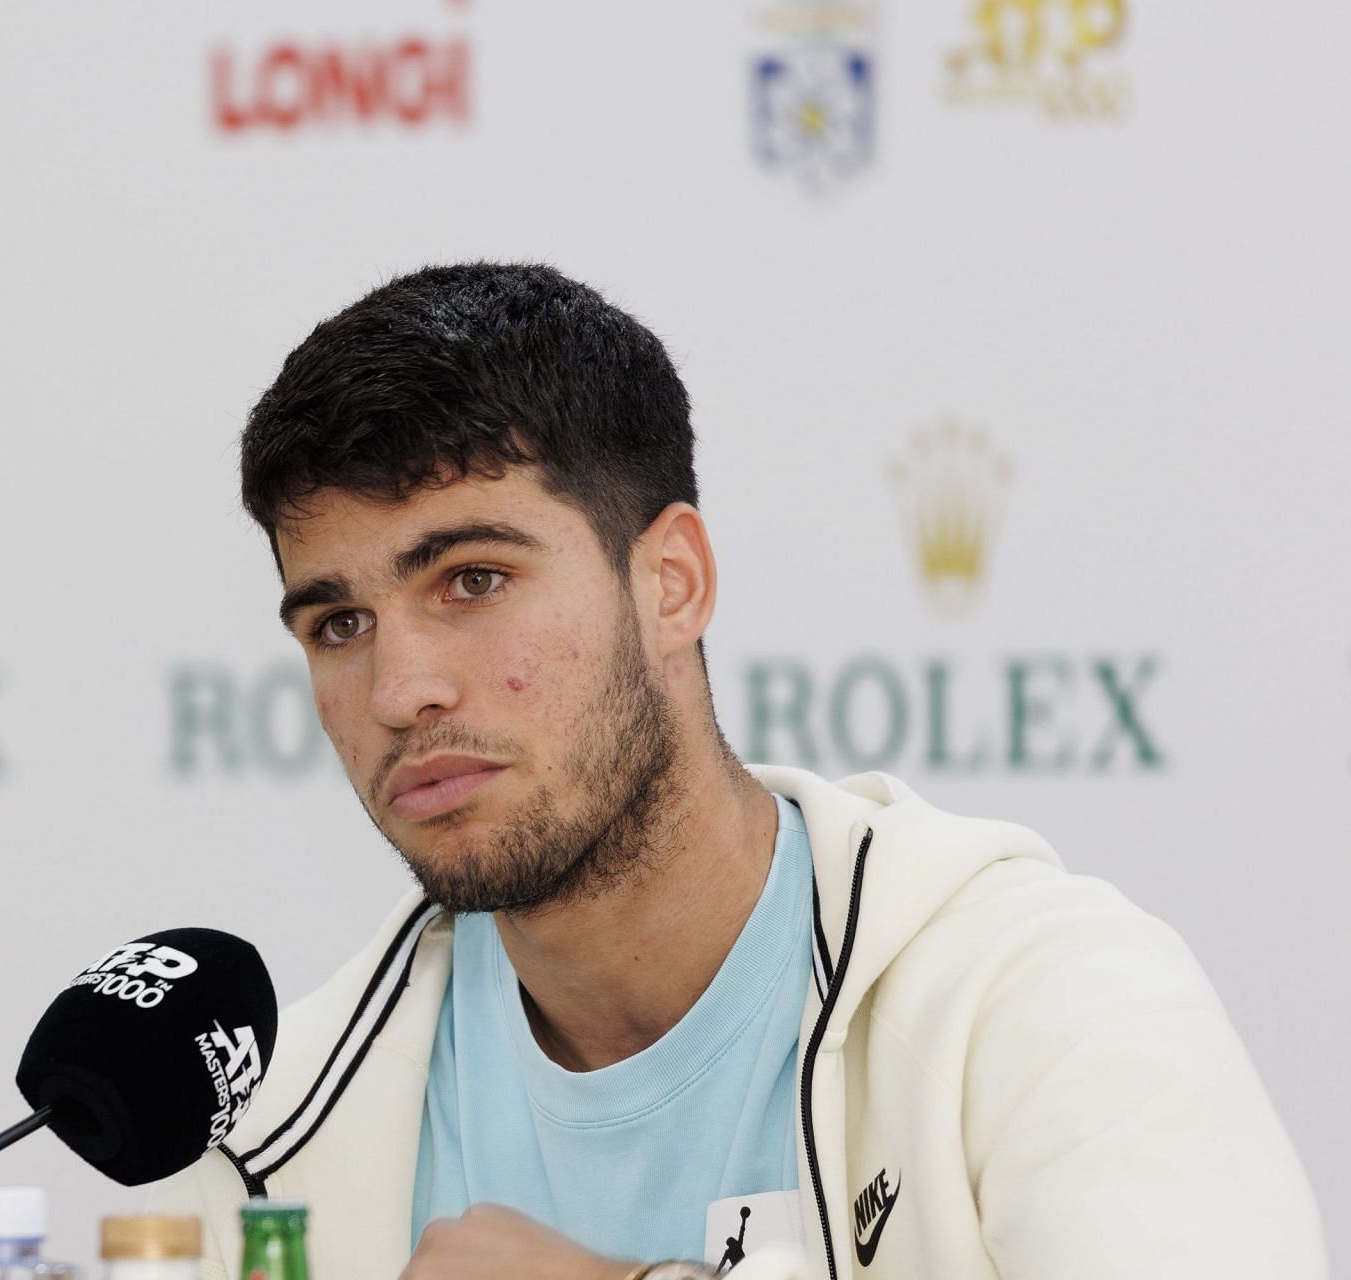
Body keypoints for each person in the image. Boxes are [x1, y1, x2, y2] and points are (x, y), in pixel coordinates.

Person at [149, 264, 1325, 1279]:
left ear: (672, 583)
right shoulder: (266, 1128)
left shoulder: (1030, 993)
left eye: (471, 579)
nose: (400, 690)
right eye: (338, 623)